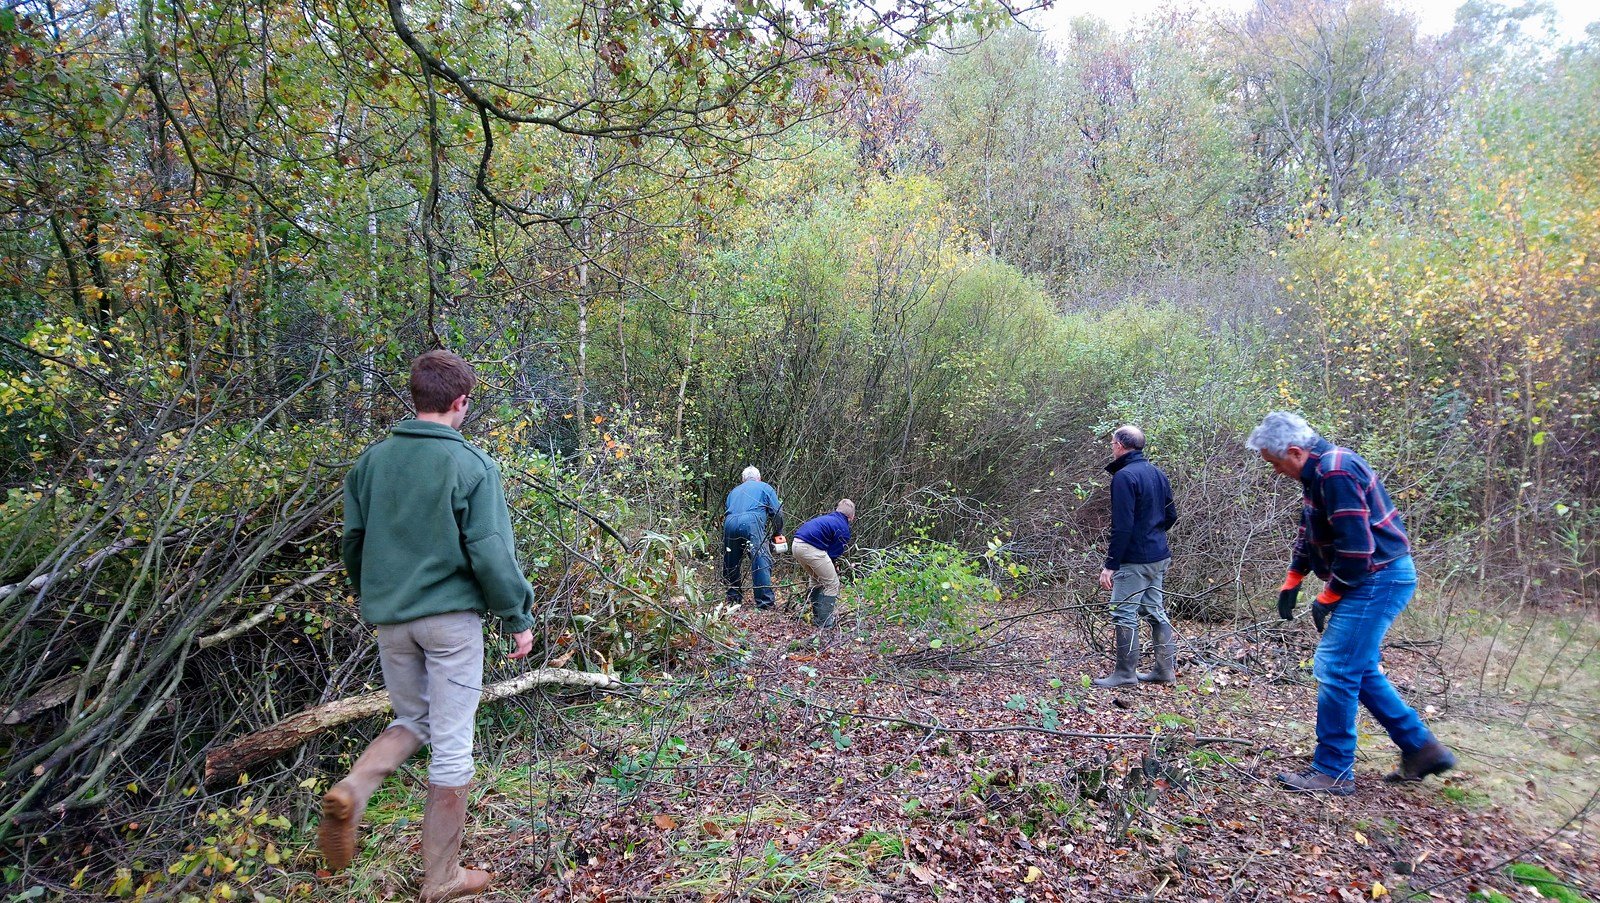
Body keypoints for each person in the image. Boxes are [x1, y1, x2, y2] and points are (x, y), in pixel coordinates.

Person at [321, 350, 536, 901]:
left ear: (415, 398)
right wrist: (517, 616)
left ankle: (354, 787)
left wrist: (377, 592)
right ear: (460, 402)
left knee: (412, 718)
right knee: (452, 743)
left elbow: (353, 544)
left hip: (391, 619)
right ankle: (441, 878)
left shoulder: (369, 465)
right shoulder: (471, 466)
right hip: (450, 624)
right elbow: (489, 552)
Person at [1247, 411, 1456, 795]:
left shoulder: (1336, 472)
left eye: (1276, 464)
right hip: (1373, 577)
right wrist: (1295, 575)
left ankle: (1333, 770)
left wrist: (1329, 595)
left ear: (1295, 452)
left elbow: (1357, 550)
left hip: (1378, 578)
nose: (1276, 471)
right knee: (1357, 668)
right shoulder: (1317, 473)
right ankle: (1422, 748)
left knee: (1335, 666)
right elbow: (1310, 527)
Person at [1093, 425, 1179, 688]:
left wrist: (1110, 565)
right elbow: (1171, 515)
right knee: (1155, 612)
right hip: (1159, 556)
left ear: (1119, 445)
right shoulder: (1157, 473)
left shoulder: (1124, 477)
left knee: (1123, 613)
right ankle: (1165, 671)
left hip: (1136, 560)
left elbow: (1122, 526)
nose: (1111, 446)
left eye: (1111, 442)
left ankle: (1125, 674)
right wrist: (1152, 536)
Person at [723, 466, 784, 610]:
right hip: (752, 521)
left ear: (743, 480)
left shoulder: (733, 492)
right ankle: (764, 602)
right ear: (759, 478)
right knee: (760, 559)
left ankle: (733, 598)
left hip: (730, 522)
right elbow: (777, 513)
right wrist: (777, 532)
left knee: (731, 560)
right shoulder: (765, 487)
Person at [790, 499, 856, 628]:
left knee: (817, 580)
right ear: (852, 517)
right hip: (810, 548)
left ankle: (817, 617)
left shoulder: (828, 519)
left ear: (837, 510)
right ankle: (825, 622)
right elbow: (833, 554)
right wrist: (833, 566)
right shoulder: (843, 529)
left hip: (796, 545)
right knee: (832, 583)